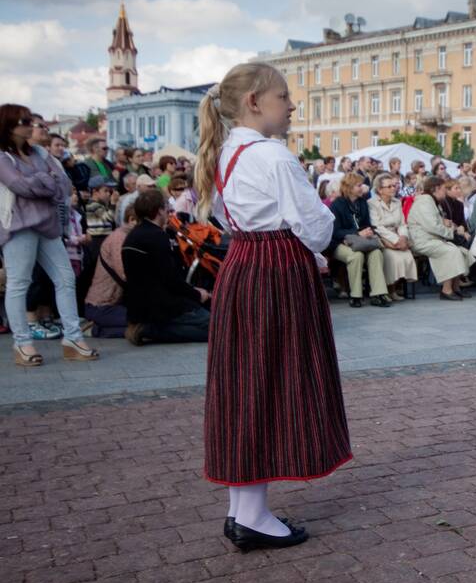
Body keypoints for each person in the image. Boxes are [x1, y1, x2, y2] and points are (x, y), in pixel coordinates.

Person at [195, 63, 349, 551]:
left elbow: (226, 217)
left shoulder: (226, 153)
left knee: (245, 382)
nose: (292, 105)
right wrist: (314, 252)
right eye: (284, 96)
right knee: (273, 381)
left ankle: (243, 508)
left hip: (242, 265)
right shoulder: (273, 156)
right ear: (255, 102)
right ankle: (253, 515)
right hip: (276, 269)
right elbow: (316, 225)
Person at [0, 103, 97, 366]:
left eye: (31, 120)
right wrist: (45, 182)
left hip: (47, 224)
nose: (31, 125)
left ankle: (73, 339)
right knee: (19, 284)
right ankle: (22, 343)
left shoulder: (40, 153)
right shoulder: (2, 156)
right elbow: (19, 185)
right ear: (9, 126)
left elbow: (63, 182)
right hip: (19, 225)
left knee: (65, 278)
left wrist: (40, 183)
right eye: (24, 121)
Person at [121, 189, 211, 344]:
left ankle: (147, 328)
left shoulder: (133, 236)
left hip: (140, 305)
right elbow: (171, 280)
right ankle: (148, 330)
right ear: (158, 211)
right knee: (214, 327)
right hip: (162, 306)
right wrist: (197, 294)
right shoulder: (157, 236)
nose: (169, 212)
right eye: (166, 208)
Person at [329, 172, 391, 308]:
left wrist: (368, 231)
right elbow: (334, 231)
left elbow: (367, 223)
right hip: (340, 243)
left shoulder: (362, 203)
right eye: (359, 185)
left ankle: (378, 294)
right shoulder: (336, 205)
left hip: (361, 241)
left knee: (376, 253)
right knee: (355, 256)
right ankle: (356, 295)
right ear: (349, 187)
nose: (362, 187)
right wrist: (357, 233)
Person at [408, 175, 475, 300]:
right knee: (452, 251)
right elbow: (433, 226)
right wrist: (451, 233)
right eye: (444, 188)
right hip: (422, 241)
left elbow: (436, 224)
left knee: (462, 252)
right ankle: (446, 290)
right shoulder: (424, 202)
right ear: (436, 188)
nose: (445, 191)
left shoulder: (432, 201)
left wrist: (447, 225)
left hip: (433, 239)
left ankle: (456, 288)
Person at [85, 205, 137, 338]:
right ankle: (96, 329)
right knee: (141, 322)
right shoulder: (119, 238)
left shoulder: (126, 236)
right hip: (101, 306)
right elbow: (124, 274)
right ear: (131, 220)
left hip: (110, 305)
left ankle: (100, 326)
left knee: (142, 320)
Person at [368, 173, 418, 300]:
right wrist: (395, 240)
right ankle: (389, 289)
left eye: (394, 185)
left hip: (398, 235)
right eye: (389, 186)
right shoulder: (372, 203)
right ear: (380, 190)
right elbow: (377, 226)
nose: (393, 188)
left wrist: (403, 237)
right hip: (383, 238)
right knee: (394, 258)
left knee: (406, 256)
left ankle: (396, 288)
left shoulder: (397, 202)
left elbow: (402, 223)